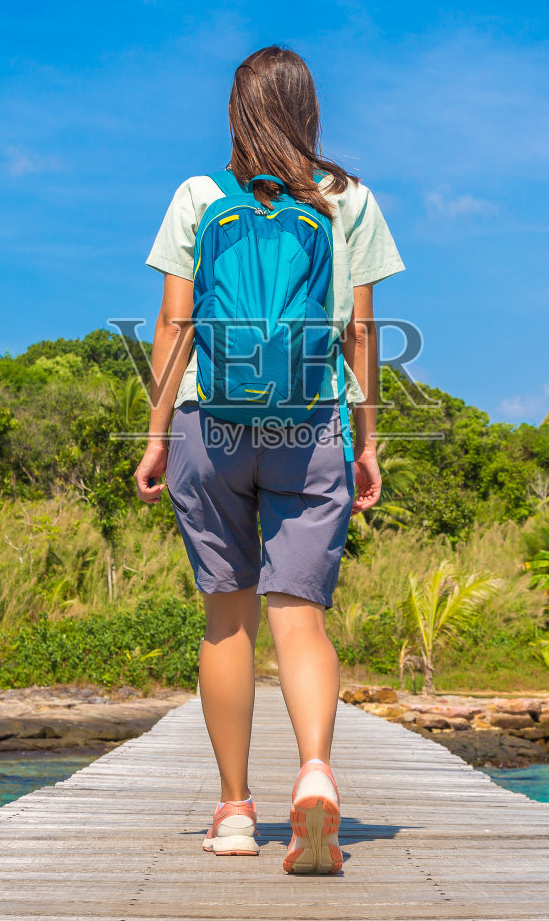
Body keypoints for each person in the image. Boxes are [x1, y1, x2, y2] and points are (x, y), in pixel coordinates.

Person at [134, 45, 404, 874]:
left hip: (206, 425)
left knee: (228, 615)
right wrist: (364, 437)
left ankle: (235, 810)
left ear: (235, 110)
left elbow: (175, 325)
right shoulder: (347, 199)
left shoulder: (196, 195)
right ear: (308, 110)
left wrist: (153, 435)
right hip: (312, 421)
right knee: (300, 615)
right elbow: (360, 334)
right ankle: (315, 772)